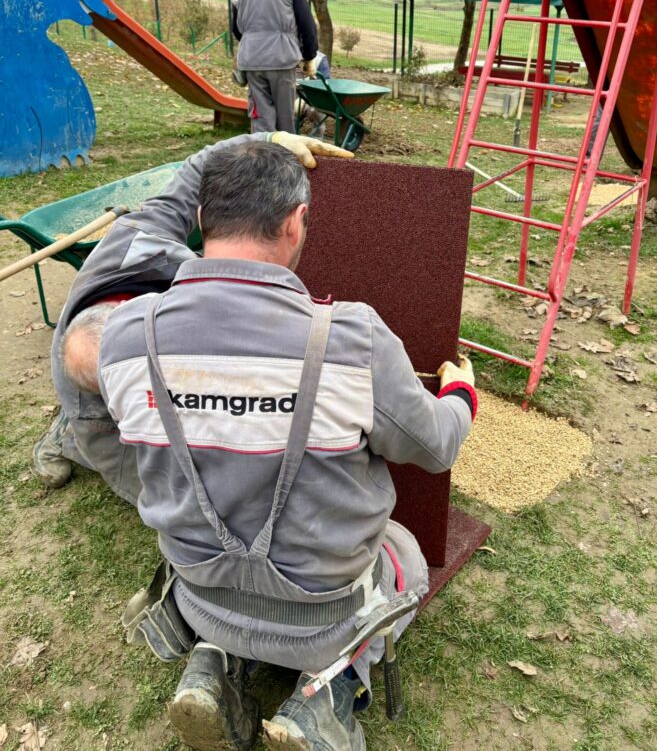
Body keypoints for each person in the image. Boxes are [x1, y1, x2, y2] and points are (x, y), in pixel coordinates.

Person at [58, 142, 477, 751]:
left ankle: (213, 660)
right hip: (323, 617)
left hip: (202, 597)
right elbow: (436, 448)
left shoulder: (123, 339)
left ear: (201, 220)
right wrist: (461, 394)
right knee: (404, 555)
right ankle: (328, 695)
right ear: (295, 223)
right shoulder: (351, 339)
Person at [32, 131, 353, 505]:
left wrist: (268, 137)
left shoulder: (142, 235)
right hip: (104, 421)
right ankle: (69, 437)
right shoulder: (102, 385)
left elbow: (196, 170)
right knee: (189, 498)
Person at [229, 0, 317, 134]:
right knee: (285, 117)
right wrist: (309, 56)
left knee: (261, 117)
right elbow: (306, 24)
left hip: (252, 61)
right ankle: (286, 151)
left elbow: (236, 29)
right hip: (283, 59)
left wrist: (253, 41)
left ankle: (262, 152)